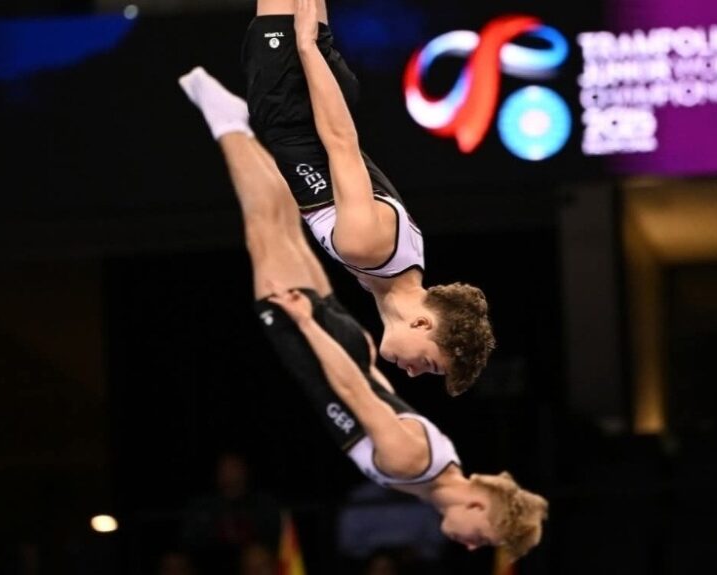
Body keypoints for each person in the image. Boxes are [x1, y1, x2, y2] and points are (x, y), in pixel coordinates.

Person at [176, 78, 548, 561]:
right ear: (479, 505)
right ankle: (226, 121)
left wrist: (360, 355)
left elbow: (377, 394)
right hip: (321, 347)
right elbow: (353, 392)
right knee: (264, 228)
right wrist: (307, 325)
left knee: (279, 228)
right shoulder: (412, 463)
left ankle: (235, 123)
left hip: (340, 347)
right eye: (484, 536)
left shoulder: (440, 466)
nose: (473, 545)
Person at [179, 0, 495, 396]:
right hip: (294, 94)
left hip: (305, 95)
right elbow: (341, 142)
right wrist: (307, 47)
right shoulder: (368, 249)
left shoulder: (399, 268)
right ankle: (229, 119)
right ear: (422, 324)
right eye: (428, 364)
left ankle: (227, 120)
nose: (413, 373)